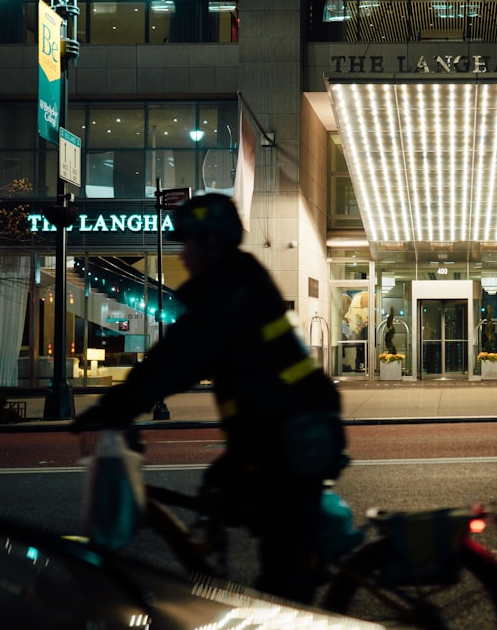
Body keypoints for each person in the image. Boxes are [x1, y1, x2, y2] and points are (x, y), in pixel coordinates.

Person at [73, 193, 345, 604]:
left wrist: (119, 406)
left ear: (213, 243)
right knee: (220, 494)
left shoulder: (231, 288)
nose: (182, 254)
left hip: (294, 433)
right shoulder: (231, 282)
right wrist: (126, 401)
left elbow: (182, 356)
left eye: (190, 243)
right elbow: (181, 353)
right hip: (271, 430)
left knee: (283, 573)